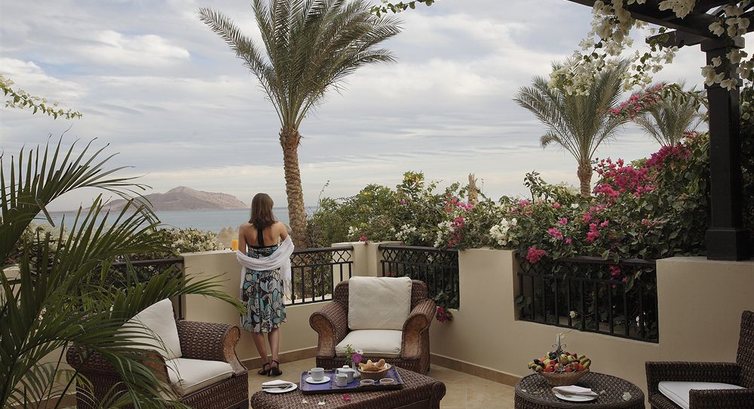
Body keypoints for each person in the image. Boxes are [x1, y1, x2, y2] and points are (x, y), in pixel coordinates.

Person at [236, 193, 294, 377]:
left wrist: (257, 261)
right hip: (272, 280)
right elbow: (289, 246)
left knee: (256, 324)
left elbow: (241, 256)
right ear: (270, 207)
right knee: (274, 322)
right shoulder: (279, 226)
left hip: (252, 281)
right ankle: (275, 361)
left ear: (254, 207)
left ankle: (265, 364)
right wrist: (274, 259)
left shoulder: (244, 228)